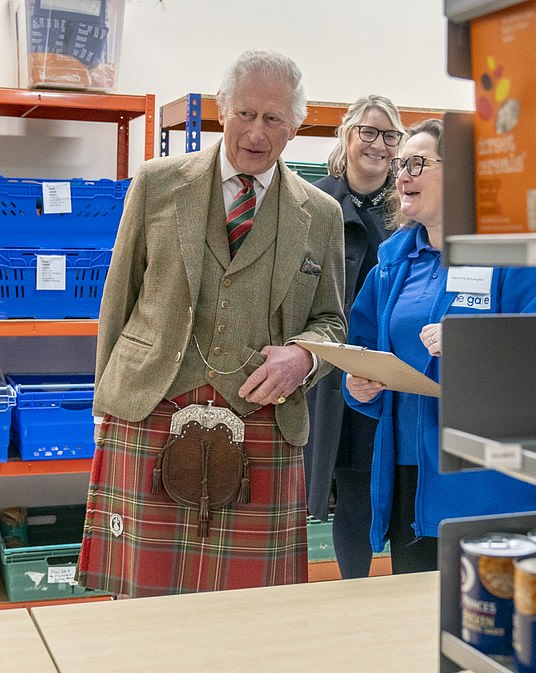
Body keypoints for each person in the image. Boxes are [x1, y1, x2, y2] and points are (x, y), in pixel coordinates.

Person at [77, 49, 346, 598]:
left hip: (263, 422)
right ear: (223, 108)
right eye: (245, 113)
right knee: (140, 598)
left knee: (250, 610)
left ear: (295, 127)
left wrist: (306, 357)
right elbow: (118, 295)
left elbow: (330, 322)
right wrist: (104, 404)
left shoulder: (320, 214)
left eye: (273, 119)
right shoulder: (155, 183)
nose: (255, 131)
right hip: (150, 405)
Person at [342, 119, 536, 574]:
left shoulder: (521, 254)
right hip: (407, 483)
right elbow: (363, 351)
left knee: (495, 628)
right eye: (400, 165)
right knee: (415, 630)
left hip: (489, 487)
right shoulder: (393, 264)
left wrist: (475, 346)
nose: (402, 175)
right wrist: (360, 384)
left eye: (417, 163)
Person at [304, 96, 405, 579]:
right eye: (369, 131)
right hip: (331, 375)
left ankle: (379, 591)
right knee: (345, 485)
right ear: (346, 136)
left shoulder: (408, 210)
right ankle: (349, 592)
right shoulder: (312, 202)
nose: (379, 145)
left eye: (390, 136)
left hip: (393, 370)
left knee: (384, 485)